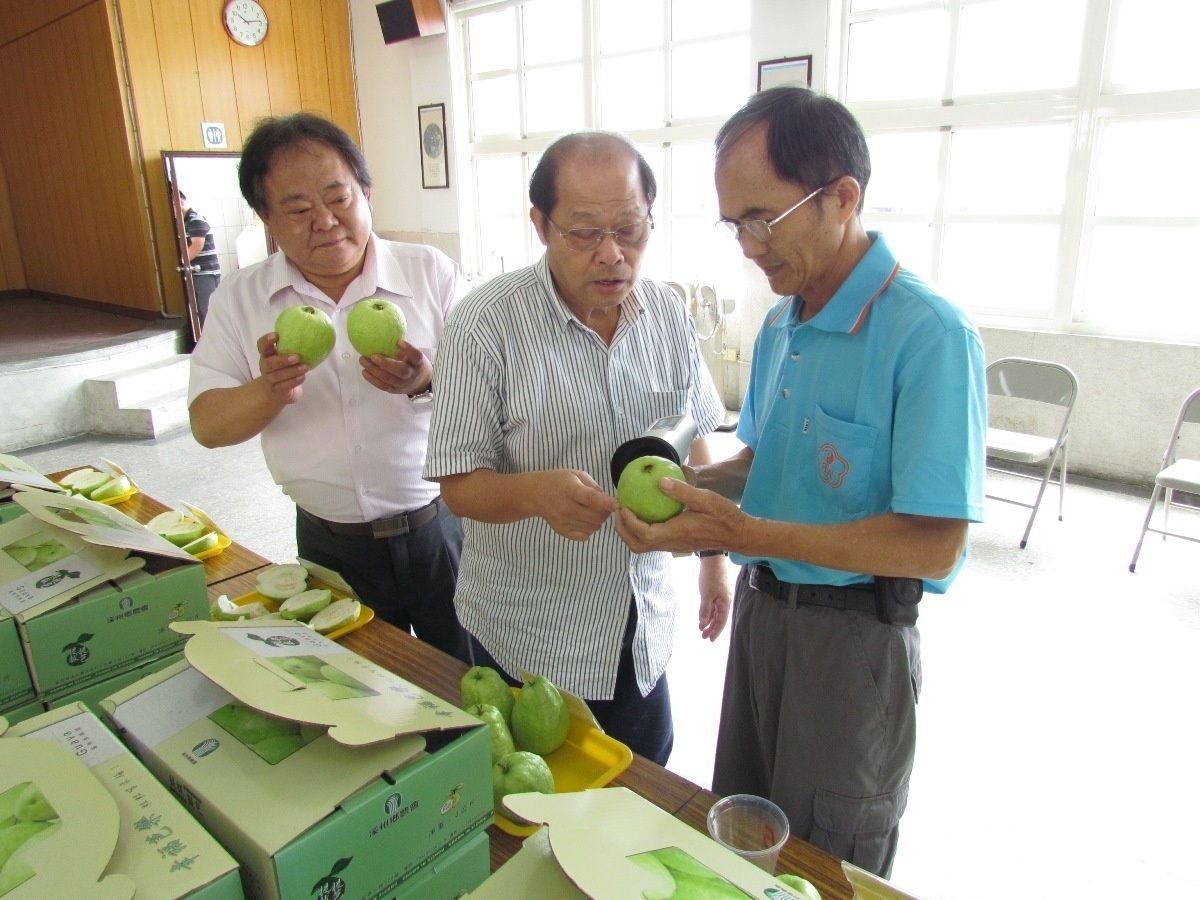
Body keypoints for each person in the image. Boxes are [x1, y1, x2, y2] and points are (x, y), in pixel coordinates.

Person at [614, 87, 987, 877]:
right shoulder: (784, 322)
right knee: (742, 834)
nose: (748, 245)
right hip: (763, 620)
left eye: (763, 218)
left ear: (841, 198)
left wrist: (743, 536)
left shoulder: (930, 336)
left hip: (853, 645)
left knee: (823, 858)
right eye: (733, 223)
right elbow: (767, 466)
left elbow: (933, 542)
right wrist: (690, 493)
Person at [423, 131, 730, 766]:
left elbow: (696, 435)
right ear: (541, 224)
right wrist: (535, 494)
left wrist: (712, 558)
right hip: (532, 633)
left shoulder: (668, 312)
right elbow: (457, 484)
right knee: (541, 802)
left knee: (644, 776)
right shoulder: (484, 325)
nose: (612, 254)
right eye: (584, 233)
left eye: (631, 228)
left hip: (641, 625)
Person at [187, 112, 467, 660]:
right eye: (297, 209)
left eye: (339, 198)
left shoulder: (431, 274)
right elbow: (207, 425)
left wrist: (426, 380)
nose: (325, 221)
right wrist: (266, 392)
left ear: (366, 192)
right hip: (328, 544)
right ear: (265, 217)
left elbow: (496, 395)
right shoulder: (241, 300)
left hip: (442, 530)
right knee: (362, 691)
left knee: (474, 679)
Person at [176, 190, 222, 325]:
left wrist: (181, 263)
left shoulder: (195, 219)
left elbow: (197, 245)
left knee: (208, 312)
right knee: (202, 313)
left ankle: (216, 344)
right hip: (197, 273)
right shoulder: (184, 221)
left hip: (205, 273)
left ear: (180, 202)